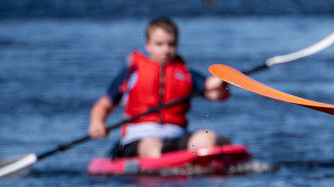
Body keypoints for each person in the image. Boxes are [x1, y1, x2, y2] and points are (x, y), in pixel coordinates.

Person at [88, 17, 230, 158]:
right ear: (148, 45)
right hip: (139, 138)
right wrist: (97, 123)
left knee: (206, 137)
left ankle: (215, 149)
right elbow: (104, 104)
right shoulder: (132, 72)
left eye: (171, 44)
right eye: (159, 44)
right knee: (151, 146)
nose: (166, 50)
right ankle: (167, 160)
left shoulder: (186, 73)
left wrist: (222, 84)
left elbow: (217, 95)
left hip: (176, 136)